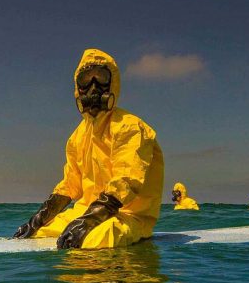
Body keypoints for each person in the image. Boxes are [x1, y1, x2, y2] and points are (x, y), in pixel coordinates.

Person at [13, 48, 164, 249]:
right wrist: (38, 219)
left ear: (112, 84)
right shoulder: (78, 136)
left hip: (127, 215)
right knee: (38, 236)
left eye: (101, 78)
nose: (94, 88)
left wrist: (90, 220)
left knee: (91, 241)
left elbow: (127, 179)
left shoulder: (129, 127)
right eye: (86, 80)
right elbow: (70, 184)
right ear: (78, 87)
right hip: (85, 212)